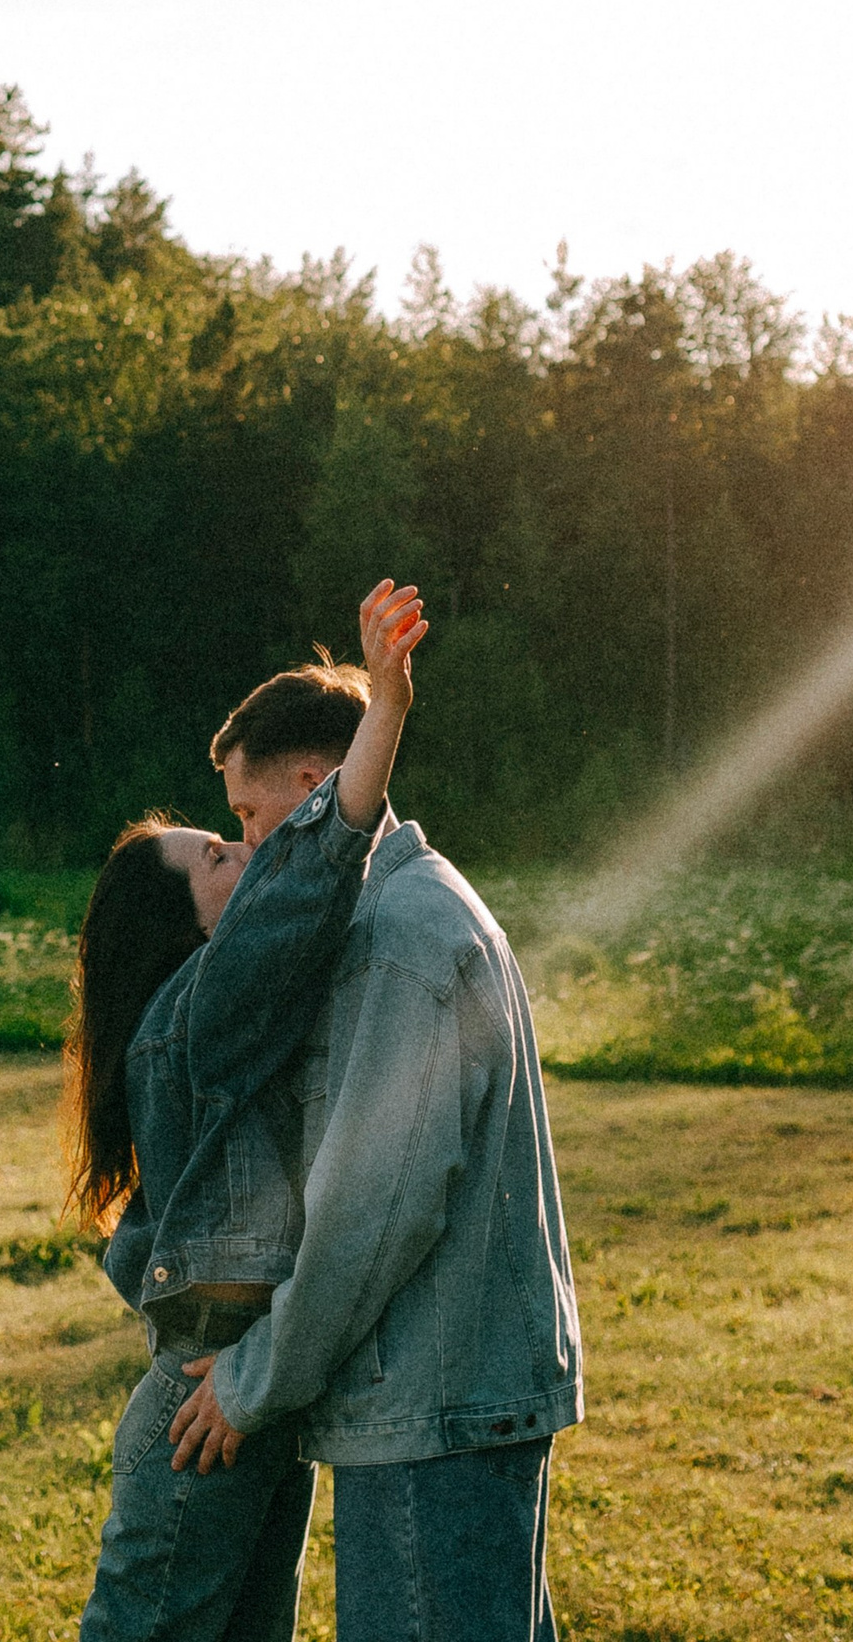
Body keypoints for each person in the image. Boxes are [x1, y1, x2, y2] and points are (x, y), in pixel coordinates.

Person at [164, 660, 584, 1642]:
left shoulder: (394, 941)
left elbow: (371, 1209)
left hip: (430, 1411)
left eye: (253, 815)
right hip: (458, 1400)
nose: (250, 847)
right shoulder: (423, 905)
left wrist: (249, 1377)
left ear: (321, 786)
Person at [66, 579, 428, 1642]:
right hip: (206, 1403)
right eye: (216, 855)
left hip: (242, 1396)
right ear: (180, 929)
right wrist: (387, 709)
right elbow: (320, 859)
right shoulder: (201, 1008)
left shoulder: (214, 1022)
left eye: (229, 832)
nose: (242, 852)